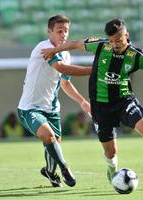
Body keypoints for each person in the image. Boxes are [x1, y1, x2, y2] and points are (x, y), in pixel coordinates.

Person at [42, 18, 143, 183]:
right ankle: (112, 170)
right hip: (100, 106)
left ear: (126, 35)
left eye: (119, 40)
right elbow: (74, 44)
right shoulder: (101, 45)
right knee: (111, 153)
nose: (115, 44)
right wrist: (54, 51)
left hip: (124, 101)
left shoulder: (137, 55)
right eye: (112, 40)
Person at [17, 15, 91, 188]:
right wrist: (94, 70)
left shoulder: (65, 53)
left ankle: (50, 171)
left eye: (66, 31)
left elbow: (65, 82)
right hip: (30, 108)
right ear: (49, 31)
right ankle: (65, 168)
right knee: (48, 135)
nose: (63, 34)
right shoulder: (44, 48)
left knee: (53, 142)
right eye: (59, 31)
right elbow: (62, 68)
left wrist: (82, 102)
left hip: (52, 109)